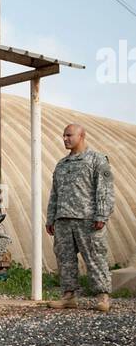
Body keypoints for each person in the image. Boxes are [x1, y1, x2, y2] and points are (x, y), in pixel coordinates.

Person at [45, 124, 115, 312]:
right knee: (65, 259)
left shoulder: (97, 160)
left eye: (69, 135)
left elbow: (105, 190)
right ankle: (68, 296)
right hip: (63, 219)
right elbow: (55, 193)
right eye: (64, 135)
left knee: (95, 258)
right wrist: (50, 218)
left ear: (82, 135)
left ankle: (103, 297)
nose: (65, 139)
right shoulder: (62, 164)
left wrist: (101, 214)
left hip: (88, 219)